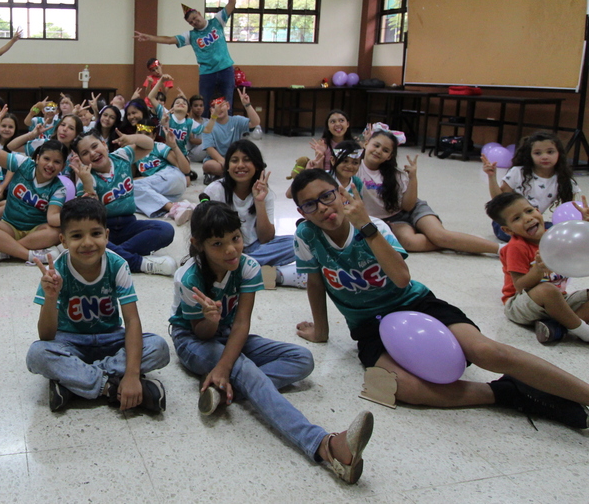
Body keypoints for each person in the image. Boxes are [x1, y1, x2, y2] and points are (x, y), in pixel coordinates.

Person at [291, 168, 589, 430]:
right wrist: (321, 331)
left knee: (487, 351)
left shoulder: (375, 227)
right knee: (405, 389)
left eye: (327, 196)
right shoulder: (307, 235)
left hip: (416, 304)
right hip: (369, 326)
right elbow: (315, 283)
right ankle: (507, 393)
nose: (322, 208)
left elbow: (401, 278)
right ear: (302, 212)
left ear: (340, 192)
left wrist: (365, 226)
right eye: (310, 204)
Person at [170, 201, 374, 483]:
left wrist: (224, 365)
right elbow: (201, 332)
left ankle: (223, 389)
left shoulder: (247, 266)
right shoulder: (189, 278)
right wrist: (213, 323)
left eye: (235, 238)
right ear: (198, 244)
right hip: (192, 340)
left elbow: (242, 323)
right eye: (217, 244)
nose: (231, 250)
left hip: (229, 332)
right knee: (244, 369)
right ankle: (324, 446)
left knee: (302, 359)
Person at [26, 197, 169, 412]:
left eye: (95, 233)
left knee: (158, 347)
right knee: (37, 354)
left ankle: (75, 383)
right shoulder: (56, 272)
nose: (87, 243)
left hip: (111, 338)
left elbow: (132, 321)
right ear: (64, 240)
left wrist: (131, 375)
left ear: (106, 236)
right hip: (70, 342)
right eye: (77, 236)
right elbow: (46, 336)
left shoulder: (117, 264)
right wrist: (51, 297)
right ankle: (111, 387)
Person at [359, 129, 499, 255]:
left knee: (440, 235)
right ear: (366, 144)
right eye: (376, 145)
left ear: (390, 156)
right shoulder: (354, 167)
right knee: (410, 242)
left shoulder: (396, 175)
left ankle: (500, 249)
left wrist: (413, 178)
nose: (378, 151)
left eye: (385, 150)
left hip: (411, 209)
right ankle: (462, 243)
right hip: (389, 220)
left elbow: (408, 206)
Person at [486, 192, 589, 344]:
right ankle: (584, 332)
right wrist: (538, 270)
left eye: (529, 211)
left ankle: (557, 328)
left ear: (538, 210)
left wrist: (585, 227)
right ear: (508, 230)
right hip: (521, 303)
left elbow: (579, 249)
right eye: (517, 218)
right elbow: (519, 286)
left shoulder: (554, 236)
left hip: (559, 301)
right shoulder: (516, 247)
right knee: (547, 289)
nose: (527, 218)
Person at [134, 0, 238, 116]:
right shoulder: (191, 35)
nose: (194, 22)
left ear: (200, 14)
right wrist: (149, 37)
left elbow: (232, 3)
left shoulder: (217, 21)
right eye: (191, 22)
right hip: (207, 73)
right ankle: (205, 128)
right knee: (204, 106)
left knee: (227, 103)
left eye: (195, 18)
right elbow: (169, 40)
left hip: (225, 69)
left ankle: (227, 128)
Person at [0, 107, 68, 266]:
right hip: (9, 227)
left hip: (35, 231)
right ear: (37, 158)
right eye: (46, 159)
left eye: (57, 162)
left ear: (63, 167)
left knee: (56, 231)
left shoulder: (59, 188)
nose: (50, 165)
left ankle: (4, 250)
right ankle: (28, 255)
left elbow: (52, 218)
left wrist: (74, 216)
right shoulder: (23, 163)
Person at [71, 132, 176, 276]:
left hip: (129, 224)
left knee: (166, 229)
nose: (93, 153)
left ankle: (112, 256)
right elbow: (91, 219)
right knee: (89, 241)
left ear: (104, 144)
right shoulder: (85, 180)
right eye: (85, 153)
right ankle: (138, 263)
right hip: (103, 231)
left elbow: (149, 145)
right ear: (81, 160)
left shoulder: (121, 156)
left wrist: (132, 138)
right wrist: (88, 186)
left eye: (95, 146)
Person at [204, 140, 300, 287]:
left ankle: (237, 269)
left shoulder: (264, 192)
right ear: (227, 167)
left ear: (257, 166)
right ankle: (253, 270)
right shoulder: (215, 190)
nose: (240, 165)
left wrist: (259, 201)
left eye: (247, 160)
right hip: (226, 248)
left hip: (255, 249)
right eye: (234, 160)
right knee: (208, 253)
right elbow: (206, 234)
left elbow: (266, 238)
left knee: (298, 242)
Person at [483, 131, 581, 242]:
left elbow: (570, 210)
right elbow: (499, 201)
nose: (545, 157)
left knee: (556, 231)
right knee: (518, 234)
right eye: (538, 153)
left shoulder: (565, 181)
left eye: (550, 152)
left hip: (533, 223)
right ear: (530, 155)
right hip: (509, 224)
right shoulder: (518, 172)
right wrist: (491, 177)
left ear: (559, 153)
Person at [200, 91, 261, 181]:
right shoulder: (207, 125)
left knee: (255, 163)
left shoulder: (236, 120)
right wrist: (224, 162)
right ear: (211, 110)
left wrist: (247, 105)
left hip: (237, 159)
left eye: (221, 105)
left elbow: (255, 122)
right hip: (218, 161)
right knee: (208, 166)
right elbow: (209, 148)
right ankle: (237, 173)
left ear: (228, 106)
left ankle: (229, 174)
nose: (218, 109)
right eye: (214, 106)